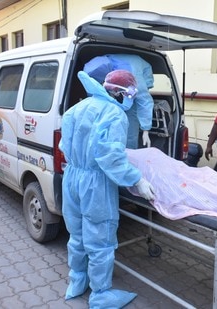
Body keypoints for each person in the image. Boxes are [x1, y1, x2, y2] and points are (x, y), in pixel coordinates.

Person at [59, 69, 156, 308]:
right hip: (95, 183)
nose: (131, 100)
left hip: (72, 177)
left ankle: (77, 280)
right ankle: (100, 294)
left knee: (77, 234)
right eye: (131, 94)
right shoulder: (114, 114)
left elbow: (64, 144)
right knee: (99, 238)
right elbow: (109, 157)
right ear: (122, 93)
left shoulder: (76, 108)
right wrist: (137, 180)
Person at [126, 147, 217, 225]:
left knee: (213, 183)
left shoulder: (141, 152)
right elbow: (124, 171)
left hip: (182, 172)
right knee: (210, 196)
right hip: (167, 180)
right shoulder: (123, 162)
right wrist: (138, 180)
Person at [83, 54, 154, 149]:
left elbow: (144, 100)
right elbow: (96, 90)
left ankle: (129, 151)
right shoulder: (99, 65)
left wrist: (146, 129)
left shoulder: (132, 74)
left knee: (131, 116)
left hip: (139, 73)